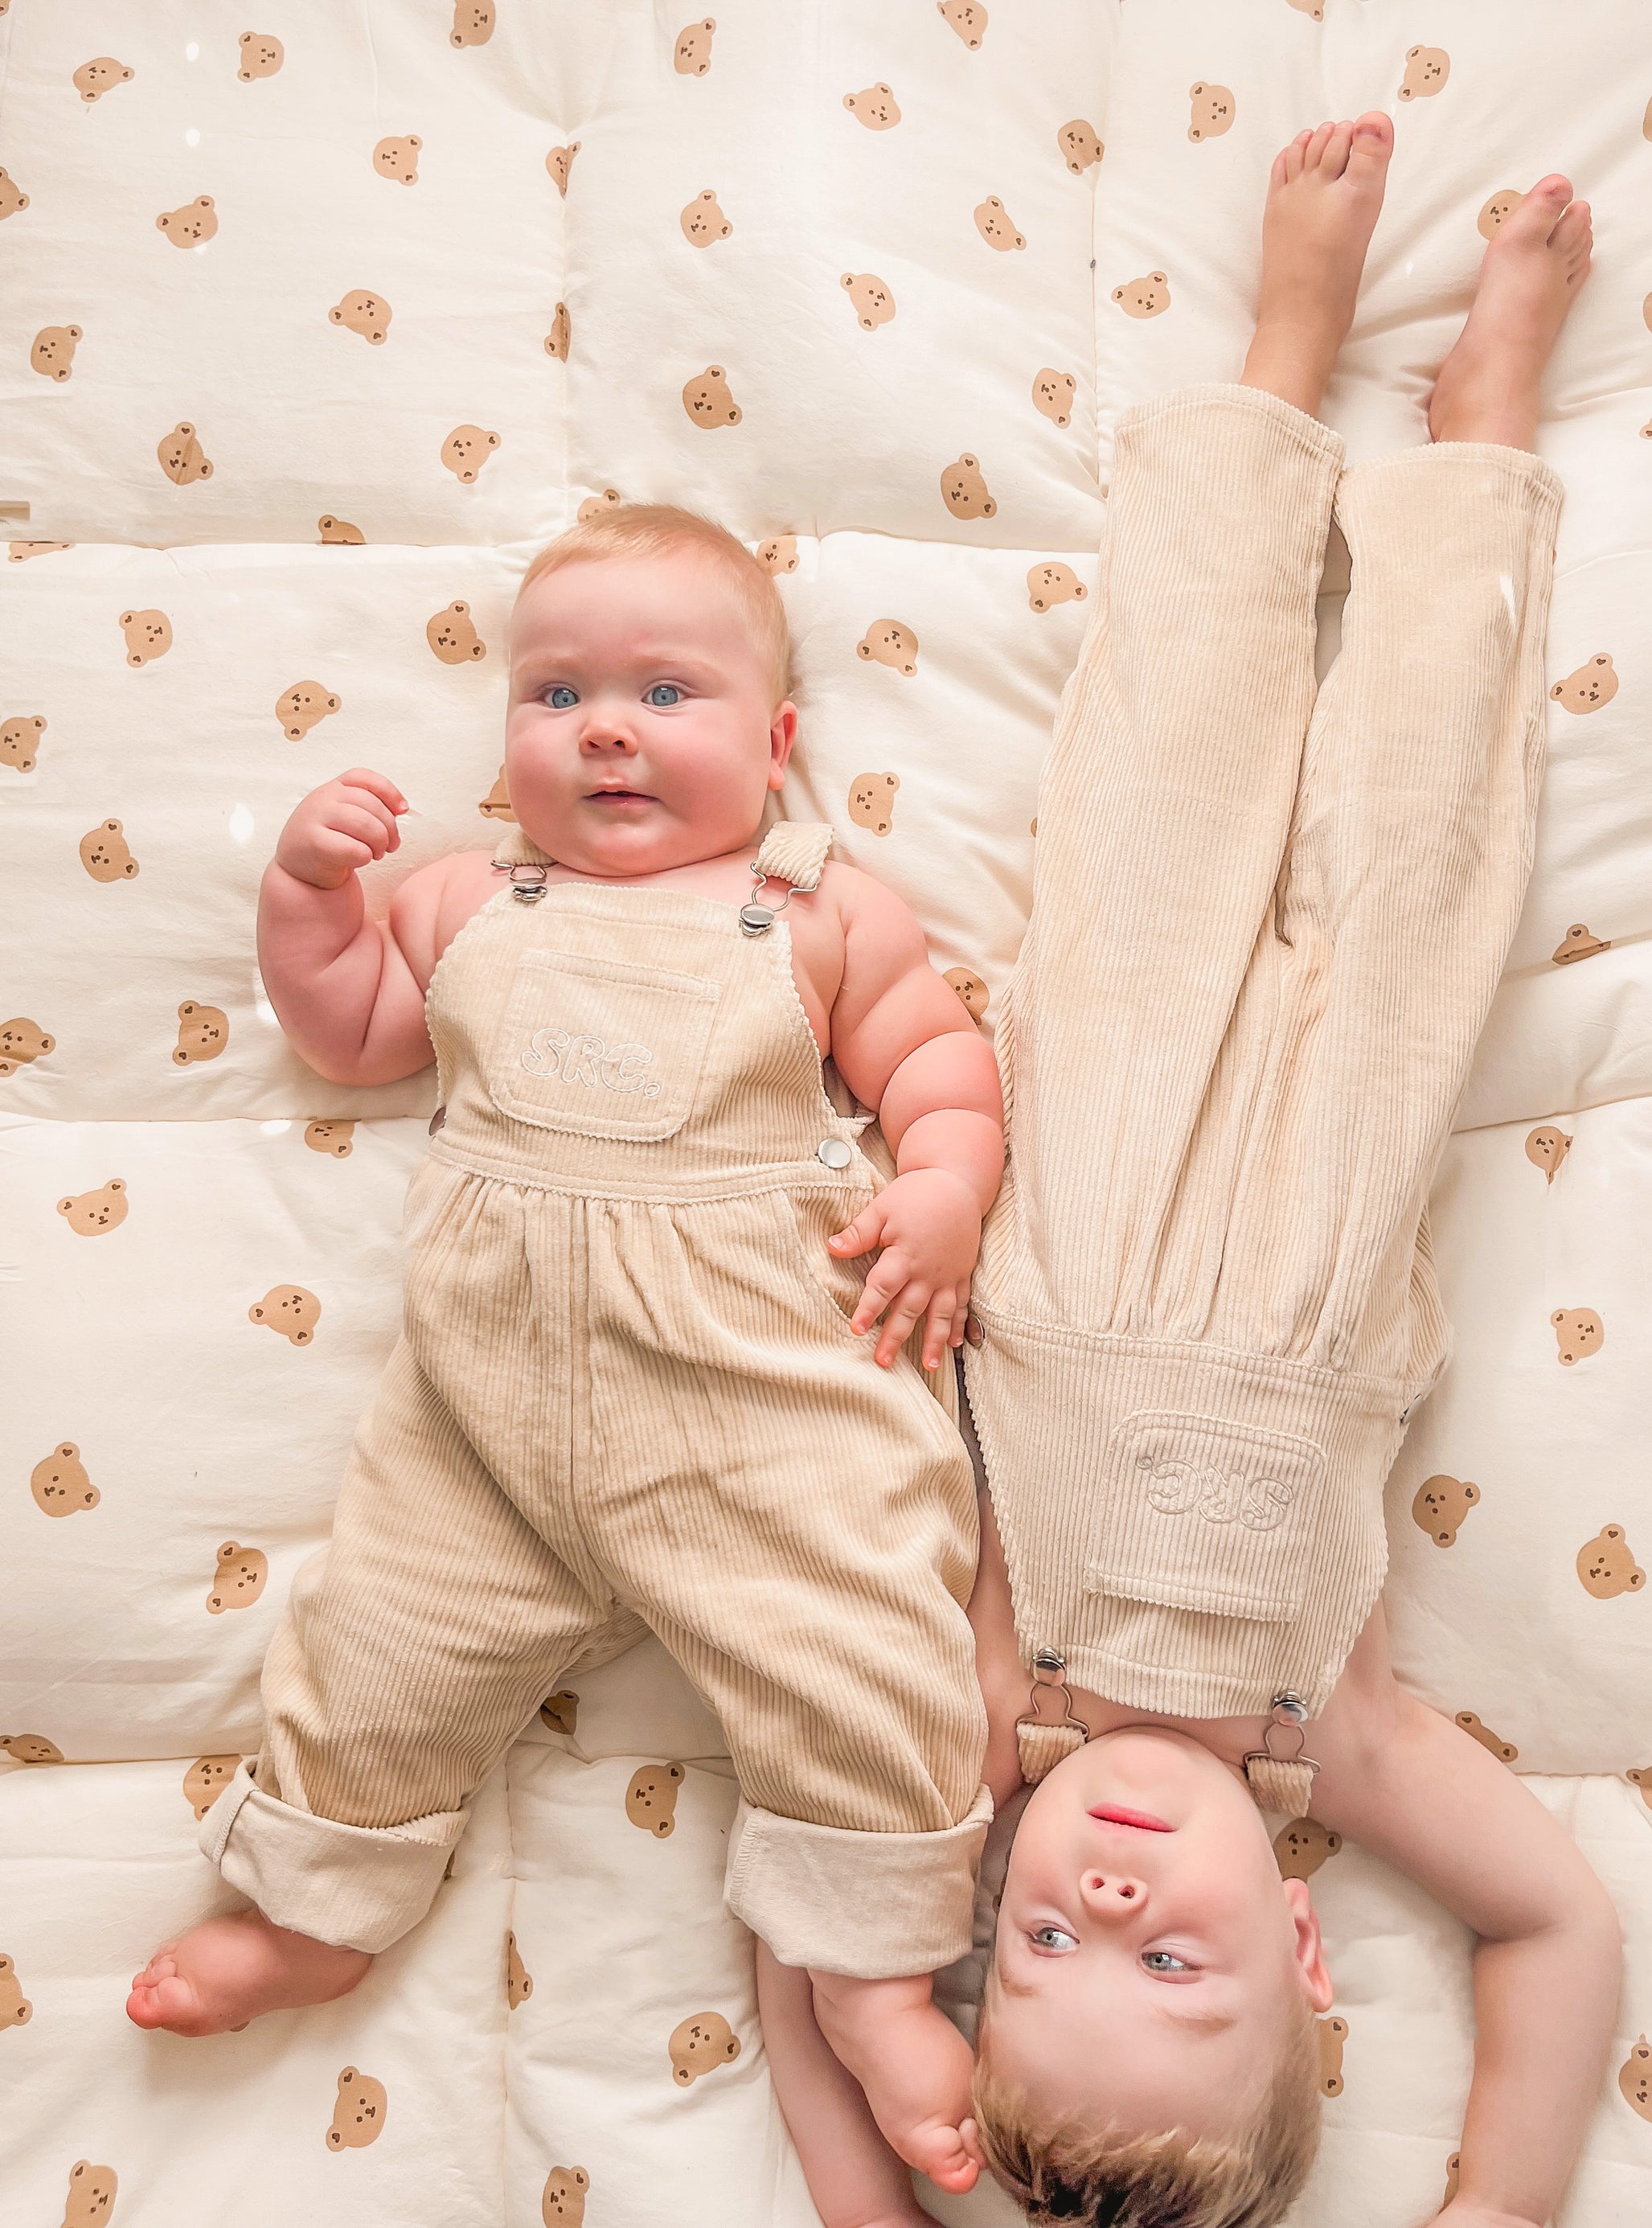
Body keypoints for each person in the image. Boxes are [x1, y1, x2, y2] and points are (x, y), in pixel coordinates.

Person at [756, 114, 1621, 2228]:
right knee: (1423, 849)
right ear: (1308, 1952)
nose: (1107, 1893)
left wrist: (873, 2200)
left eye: (1045, 1945)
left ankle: (1275, 372)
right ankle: (1474, 458)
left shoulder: (980, 1731)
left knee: (1167, 773)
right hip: (1337, 1211)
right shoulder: (1347, 1739)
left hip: (1096, 1167)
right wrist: (1498, 2207)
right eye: (1178, 1958)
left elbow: (799, 1948)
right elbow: (1564, 1932)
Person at [124, 478, 1011, 2188]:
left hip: (757, 1401)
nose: (607, 731)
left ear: (776, 745)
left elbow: (934, 1060)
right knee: (375, 1651)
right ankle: (319, 1902)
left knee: (868, 1656)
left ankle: (875, 1974)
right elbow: (353, 1035)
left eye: (664, 695)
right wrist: (309, 905)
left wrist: (947, 1185)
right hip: (489, 1424)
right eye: (558, 696)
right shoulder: (467, 905)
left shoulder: (815, 910)